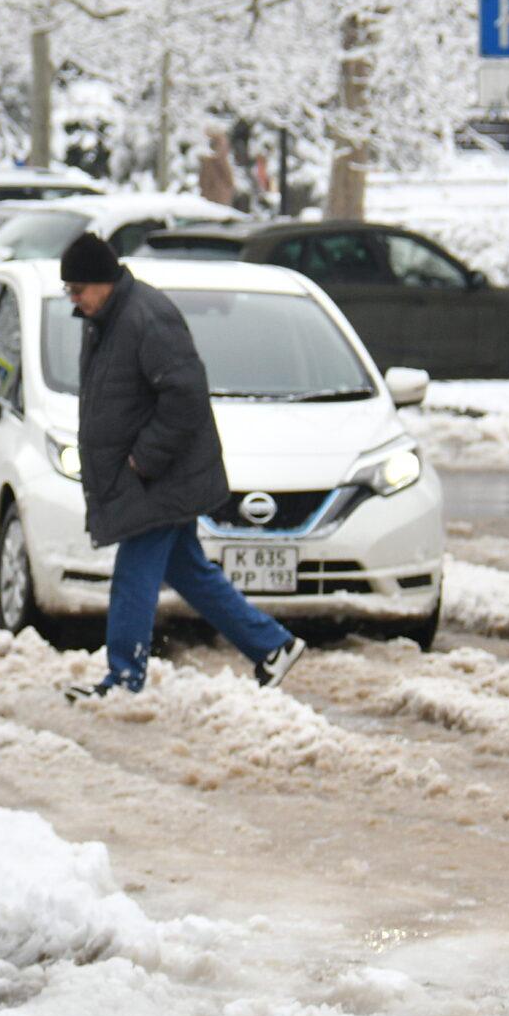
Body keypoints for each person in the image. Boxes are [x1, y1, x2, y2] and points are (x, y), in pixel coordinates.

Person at [57, 232, 306, 699]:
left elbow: (186, 396)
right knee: (189, 570)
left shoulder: (147, 318)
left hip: (159, 478)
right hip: (149, 477)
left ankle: (123, 680)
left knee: (133, 576)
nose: (74, 299)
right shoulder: (106, 319)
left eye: (78, 289)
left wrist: (143, 460)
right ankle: (272, 646)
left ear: (104, 281)